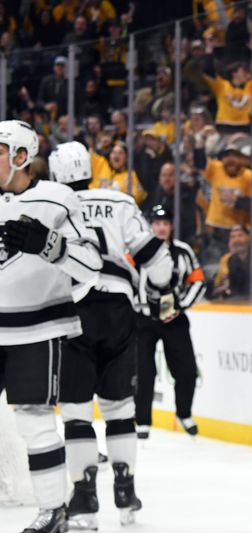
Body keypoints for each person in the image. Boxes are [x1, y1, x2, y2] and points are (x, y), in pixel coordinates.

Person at [48, 141, 176, 529]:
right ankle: (126, 491)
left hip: (74, 309)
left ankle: (85, 498)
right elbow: (154, 256)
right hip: (120, 310)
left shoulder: (54, 204)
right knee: (120, 408)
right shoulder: (118, 202)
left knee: (76, 413)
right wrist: (161, 289)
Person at [0, 121, 102, 533]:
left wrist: (48, 245)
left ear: (20, 156)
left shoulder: (58, 200)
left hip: (37, 330)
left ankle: (53, 511)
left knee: (35, 420)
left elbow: (93, 265)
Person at [135, 205, 206, 440]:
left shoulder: (183, 251)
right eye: (156, 223)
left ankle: (184, 413)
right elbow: (123, 277)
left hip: (173, 318)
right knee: (143, 372)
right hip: (143, 318)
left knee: (186, 370)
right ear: (150, 225)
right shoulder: (136, 250)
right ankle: (142, 421)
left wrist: (181, 304)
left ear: (171, 226)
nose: (161, 227)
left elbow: (198, 281)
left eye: (165, 223)